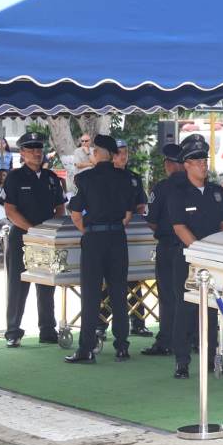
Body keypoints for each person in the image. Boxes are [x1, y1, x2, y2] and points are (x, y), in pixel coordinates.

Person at [65, 135, 137, 364]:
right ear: (113, 154)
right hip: (117, 237)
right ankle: (122, 347)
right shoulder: (125, 178)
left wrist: (87, 231)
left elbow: (75, 213)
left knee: (91, 294)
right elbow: (128, 214)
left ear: (96, 153)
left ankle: (86, 349)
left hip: (94, 239)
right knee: (119, 292)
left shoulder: (85, 178)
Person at [169, 139, 223, 379]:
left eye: (204, 160)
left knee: (212, 311)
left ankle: (211, 359)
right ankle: (182, 362)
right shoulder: (178, 192)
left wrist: (216, 252)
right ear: (186, 165)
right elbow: (179, 227)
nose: (203, 165)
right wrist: (200, 252)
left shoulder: (216, 192)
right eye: (197, 161)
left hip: (213, 261)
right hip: (189, 260)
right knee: (185, 310)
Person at [0, 133, 65, 346]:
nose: (37, 153)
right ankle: (13, 331)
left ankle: (47, 329)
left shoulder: (51, 177)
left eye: (39, 149)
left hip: (46, 238)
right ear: (22, 153)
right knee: (18, 285)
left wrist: (51, 230)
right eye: (32, 149)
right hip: (22, 237)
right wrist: (32, 230)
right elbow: (10, 210)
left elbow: (60, 207)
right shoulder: (15, 177)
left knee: (47, 284)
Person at [99, 139, 151, 337]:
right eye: (119, 152)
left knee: (134, 278)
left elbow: (141, 204)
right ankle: (101, 323)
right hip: (108, 233)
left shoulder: (133, 178)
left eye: (126, 152)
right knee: (107, 281)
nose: (123, 156)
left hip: (132, 232)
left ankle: (138, 321)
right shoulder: (102, 177)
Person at [141, 144, 188, 356]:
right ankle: (192, 338)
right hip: (194, 249)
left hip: (169, 247)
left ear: (169, 164)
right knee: (192, 296)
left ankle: (167, 340)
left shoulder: (162, 188)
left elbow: (151, 221)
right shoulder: (198, 185)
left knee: (168, 296)